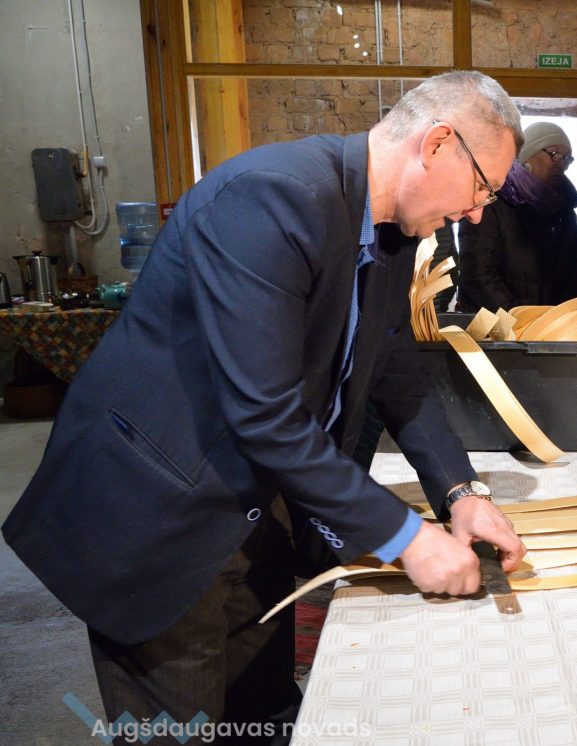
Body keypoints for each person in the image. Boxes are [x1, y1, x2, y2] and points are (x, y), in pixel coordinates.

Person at [3, 70, 528, 740]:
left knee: (264, 713)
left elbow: (395, 366)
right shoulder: (273, 197)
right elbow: (264, 414)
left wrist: (460, 492)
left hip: (257, 507)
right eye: (484, 186)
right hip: (159, 514)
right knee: (179, 728)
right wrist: (406, 537)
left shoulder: (390, 230)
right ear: (437, 143)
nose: (479, 212)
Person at [455, 121, 577, 311]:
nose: (561, 163)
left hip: (550, 324)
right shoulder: (491, 200)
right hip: (497, 323)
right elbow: (477, 274)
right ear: (527, 155)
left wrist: (560, 315)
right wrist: (518, 318)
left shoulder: (563, 208)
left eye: (567, 158)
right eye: (554, 154)